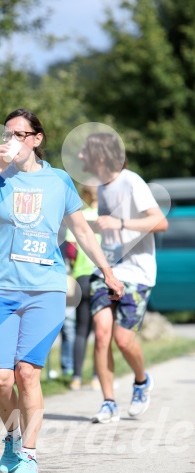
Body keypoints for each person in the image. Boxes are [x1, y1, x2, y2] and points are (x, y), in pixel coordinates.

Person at [0, 108, 124, 473]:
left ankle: (30, 455)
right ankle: (13, 437)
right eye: (7, 134)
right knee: (1, 379)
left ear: (36, 139)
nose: (11, 141)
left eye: (20, 134)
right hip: (3, 288)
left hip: (46, 289)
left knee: (26, 373)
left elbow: (82, 232)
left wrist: (107, 270)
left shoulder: (60, 181)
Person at [79, 132, 168, 423]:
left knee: (122, 340)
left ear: (101, 156)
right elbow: (111, 231)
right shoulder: (101, 188)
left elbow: (160, 221)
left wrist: (119, 222)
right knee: (102, 334)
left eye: (85, 152)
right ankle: (108, 402)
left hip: (138, 273)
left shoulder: (131, 181)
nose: (80, 157)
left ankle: (141, 381)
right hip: (107, 270)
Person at [68, 182, 100, 391]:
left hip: (82, 276)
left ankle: (76, 377)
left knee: (81, 329)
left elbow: (71, 250)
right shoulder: (108, 217)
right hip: (103, 277)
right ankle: (98, 376)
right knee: (101, 331)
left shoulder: (80, 216)